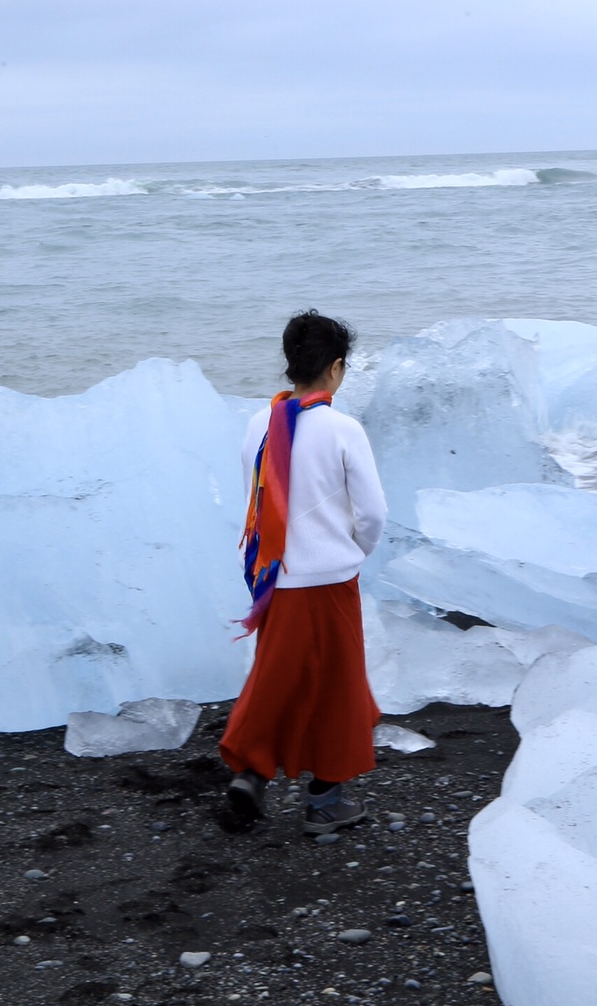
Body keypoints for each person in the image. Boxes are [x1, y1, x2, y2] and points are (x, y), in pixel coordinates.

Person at [220, 310, 388, 833]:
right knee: (336, 687)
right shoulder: (342, 429)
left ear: (290, 365)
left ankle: (251, 773)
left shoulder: (260, 424)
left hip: (276, 582)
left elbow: (257, 497)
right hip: (330, 582)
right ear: (336, 368)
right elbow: (373, 513)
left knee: (277, 678)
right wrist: (352, 550)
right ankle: (325, 800)